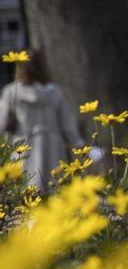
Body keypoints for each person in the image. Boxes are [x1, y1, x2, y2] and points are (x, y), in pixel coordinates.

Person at [0, 50, 84, 191]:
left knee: (27, 190)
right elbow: (67, 124)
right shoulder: (53, 92)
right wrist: (78, 144)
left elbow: (2, 123)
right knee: (54, 188)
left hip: (23, 144)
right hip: (53, 145)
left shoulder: (11, 92)